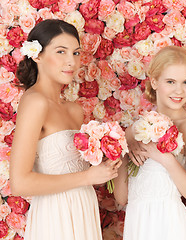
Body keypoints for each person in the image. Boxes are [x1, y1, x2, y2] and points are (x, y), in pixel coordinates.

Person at [9, 19, 121, 240]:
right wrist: (87, 176)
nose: (71, 61)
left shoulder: (74, 110)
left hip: (83, 207)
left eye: (76, 53)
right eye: (61, 52)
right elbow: (20, 183)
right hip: (55, 214)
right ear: (37, 55)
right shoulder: (35, 102)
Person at [113, 46, 186, 240]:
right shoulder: (134, 130)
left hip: (171, 228)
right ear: (154, 82)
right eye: (171, 81)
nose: (179, 90)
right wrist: (120, 148)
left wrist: (166, 160)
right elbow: (122, 198)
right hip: (138, 227)